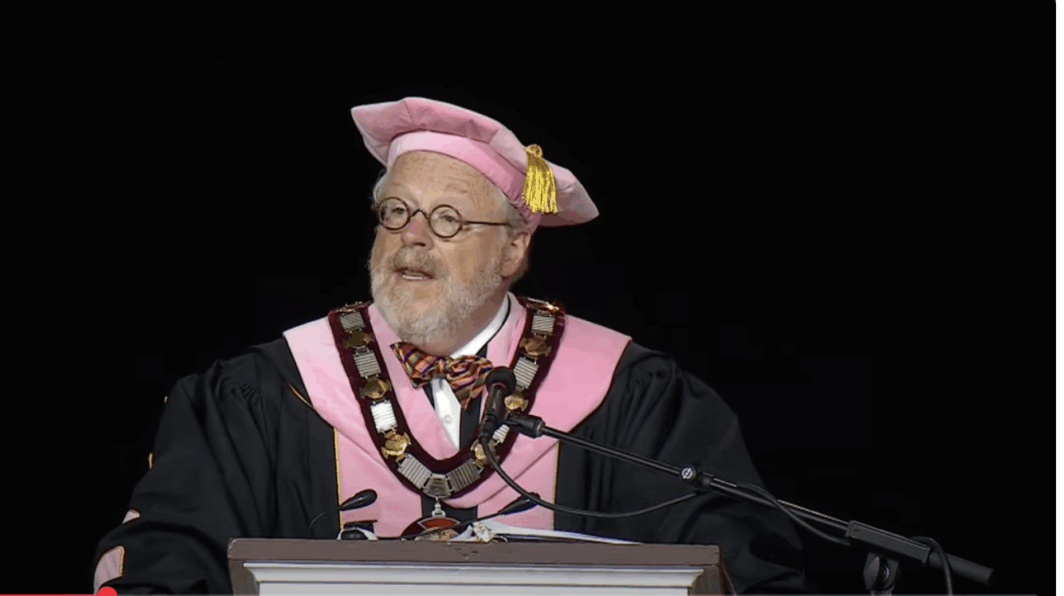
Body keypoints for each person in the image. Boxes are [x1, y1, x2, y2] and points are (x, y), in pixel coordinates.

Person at [93, 97, 807, 593]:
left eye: (445, 219)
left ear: (514, 249)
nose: (412, 236)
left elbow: (729, 557)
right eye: (396, 212)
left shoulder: (626, 393)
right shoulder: (268, 390)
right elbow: (170, 553)